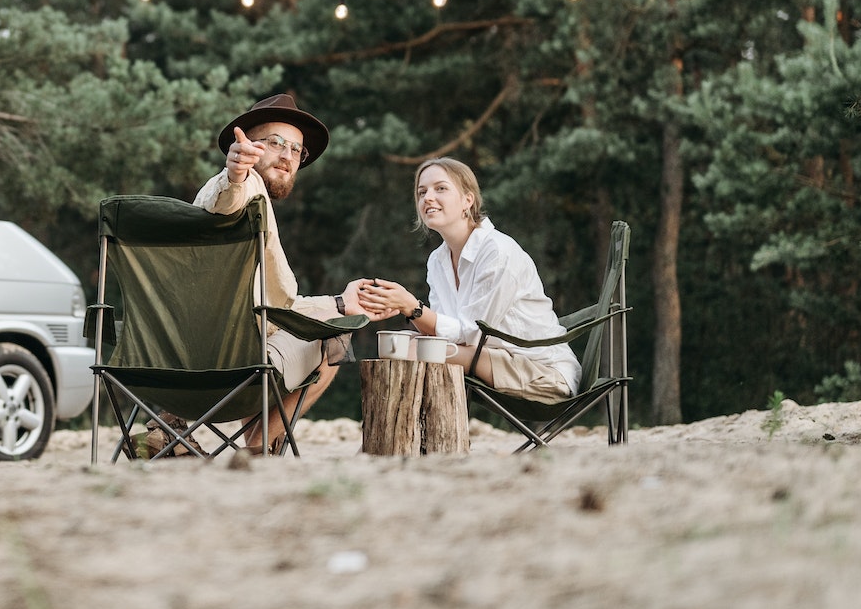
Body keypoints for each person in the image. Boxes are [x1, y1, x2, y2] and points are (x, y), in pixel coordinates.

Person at [194, 93, 364, 450]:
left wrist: (339, 301)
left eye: (296, 150)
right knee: (335, 333)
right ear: (247, 146)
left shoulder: (253, 218)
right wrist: (235, 173)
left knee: (332, 314)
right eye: (275, 143)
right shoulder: (243, 190)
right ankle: (260, 445)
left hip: (178, 363)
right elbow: (224, 200)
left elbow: (274, 307)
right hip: (235, 367)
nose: (288, 157)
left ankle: (256, 445)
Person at [354, 158, 579, 401]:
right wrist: (405, 310)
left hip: (542, 372)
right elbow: (444, 333)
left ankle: (416, 438)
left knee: (412, 351)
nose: (427, 197)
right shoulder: (437, 260)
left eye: (440, 188)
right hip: (488, 359)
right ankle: (412, 435)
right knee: (395, 345)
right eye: (422, 192)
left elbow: (473, 335)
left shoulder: (497, 252)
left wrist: (412, 307)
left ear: (467, 200)